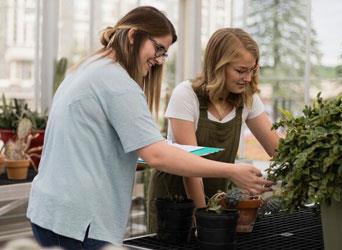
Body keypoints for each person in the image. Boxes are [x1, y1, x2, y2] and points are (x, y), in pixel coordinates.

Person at [27, 7, 272, 249]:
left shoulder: (88, 67)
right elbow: (157, 155)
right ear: (133, 36)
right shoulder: (117, 82)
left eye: (164, 53)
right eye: (158, 49)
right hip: (77, 221)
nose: (159, 60)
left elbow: (92, 144)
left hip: (55, 212)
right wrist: (231, 171)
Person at [147, 28, 280, 233]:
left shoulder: (248, 99)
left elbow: (278, 149)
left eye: (252, 70)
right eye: (240, 70)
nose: (247, 78)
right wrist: (203, 218)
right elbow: (190, 170)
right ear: (218, 66)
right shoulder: (186, 95)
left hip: (215, 204)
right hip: (174, 204)